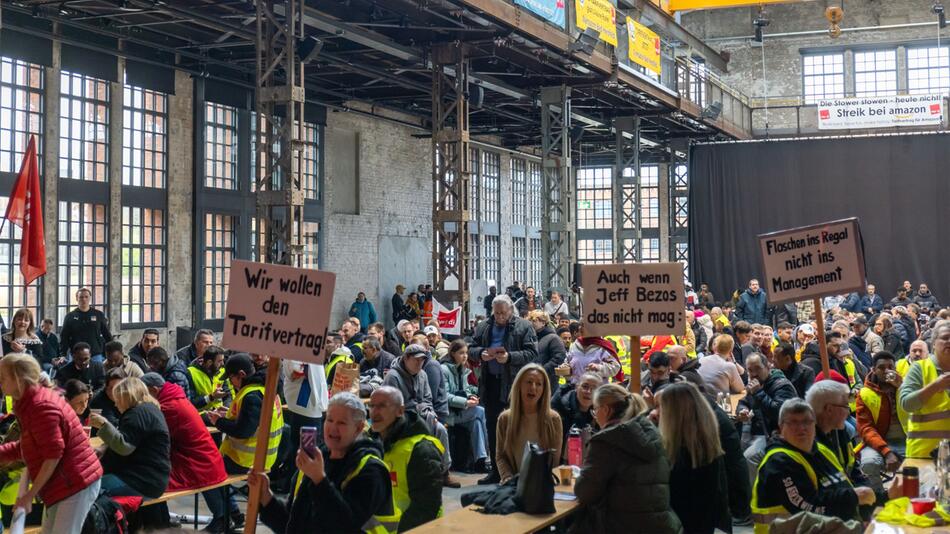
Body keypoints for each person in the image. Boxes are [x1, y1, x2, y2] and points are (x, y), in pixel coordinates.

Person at [251, 392, 397, 533]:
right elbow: (293, 524)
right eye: (330, 420)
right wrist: (266, 497)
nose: (333, 428)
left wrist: (319, 481)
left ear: (358, 428)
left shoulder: (371, 470)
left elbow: (343, 526)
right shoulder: (316, 463)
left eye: (341, 423)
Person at [0, 353, 102, 533]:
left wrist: (29, 495)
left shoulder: (41, 406)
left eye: (2, 377)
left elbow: (53, 455)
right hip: (65, 482)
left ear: (19, 379)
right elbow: (29, 446)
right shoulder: (29, 403)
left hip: (75, 482)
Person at [572, 384, 682, 533]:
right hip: (664, 526)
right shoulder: (651, 433)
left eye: (595, 410)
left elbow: (584, 492)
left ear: (606, 410)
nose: (595, 415)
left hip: (623, 526)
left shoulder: (607, 441)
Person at [751, 399, 870, 532]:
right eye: (793, 423)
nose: (801, 428)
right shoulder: (777, 462)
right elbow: (811, 508)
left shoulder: (821, 450)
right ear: (780, 427)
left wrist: (883, 496)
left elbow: (844, 485)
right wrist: (854, 497)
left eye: (807, 422)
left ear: (814, 424)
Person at [140, 373, 229, 533]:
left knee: (152, 482)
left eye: (143, 393)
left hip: (197, 464)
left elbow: (153, 436)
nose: (141, 398)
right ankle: (162, 521)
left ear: (153, 390)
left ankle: (158, 525)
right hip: (204, 459)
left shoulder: (169, 407)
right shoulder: (176, 399)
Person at [466, 294, 538, 484]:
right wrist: (481, 353)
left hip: (515, 383)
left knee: (517, 426)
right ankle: (497, 471)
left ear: (510, 311)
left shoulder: (524, 326)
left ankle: (519, 469)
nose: (499, 317)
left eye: (503, 313)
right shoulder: (483, 327)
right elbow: (471, 348)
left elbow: (532, 353)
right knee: (493, 426)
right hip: (490, 383)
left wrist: (510, 357)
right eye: (496, 313)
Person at [208, 353, 284, 529]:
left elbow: (243, 431)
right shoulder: (268, 388)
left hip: (246, 460)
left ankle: (222, 518)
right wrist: (227, 414)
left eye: (232, 378)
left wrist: (218, 422)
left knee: (205, 471)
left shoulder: (251, 396)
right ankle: (233, 514)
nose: (232, 383)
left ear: (241, 374)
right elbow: (253, 421)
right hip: (265, 456)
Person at [89, 377, 170, 530]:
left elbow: (124, 446)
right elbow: (130, 437)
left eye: (117, 398)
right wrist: (105, 447)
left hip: (141, 481)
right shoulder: (149, 409)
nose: (115, 403)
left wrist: (103, 424)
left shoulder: (137, 413)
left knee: (87, 489)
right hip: (154, 479)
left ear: (126, 396)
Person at [656, 382, 730, 534]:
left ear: (674, 414)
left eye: (661, 407)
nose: (657, 412)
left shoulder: (680, 456)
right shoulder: (707, 446)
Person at [368, 386, 443, 532]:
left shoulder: (422, 450)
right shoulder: (371, 443)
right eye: (371, 406)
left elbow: (426, 508)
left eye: (382, 406)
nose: (374, 412)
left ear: (400, 411)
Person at [495, 364, 562, 483]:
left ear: (544, 389)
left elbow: (554, 459)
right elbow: (501, 456)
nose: (533, 387)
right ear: (519, 385)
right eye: (529, 382)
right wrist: (507, 478)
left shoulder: (554, 419)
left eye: (539, 384)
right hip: (513, 484)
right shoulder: (504, 419)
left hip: (542, 485)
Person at [737, 353, 797, 481]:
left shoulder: (781, 385)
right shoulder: (757, 384)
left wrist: (759, 393)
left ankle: (755, 495)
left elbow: (779, 413)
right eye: (750, 370)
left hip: (778, 434)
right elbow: (744, 401)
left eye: (758, 368)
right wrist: (743, 410)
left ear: (768, 367)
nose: (754, 374)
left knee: (750, 457)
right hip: (760, 430)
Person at [275, 353, 328, 495]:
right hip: (304, 405)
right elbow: (294, 372)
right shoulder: (295, 351)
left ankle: (295, 483)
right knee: (306, 449)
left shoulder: (308, 350)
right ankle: (295, 484)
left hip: (309, 405)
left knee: (302, 448)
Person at [855, 351, 906, 495]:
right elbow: (866, 428)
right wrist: (886, 451)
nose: (886, 371)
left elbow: (919, 412)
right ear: (873, 370)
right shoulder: (865, 393)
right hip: (878, 442)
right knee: (869, 464)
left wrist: (901, 387)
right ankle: (879, 498)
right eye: (881, 368)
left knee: (922, 463)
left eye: (890, 367)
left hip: (907, 440)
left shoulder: (905, 387)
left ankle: (910, 496)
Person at [899, 320, 950, 457]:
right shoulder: (920, 368)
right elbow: (906, 404)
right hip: (924, 454)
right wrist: (935, 386)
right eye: (945, 338)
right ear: (933, 343)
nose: (949, 341)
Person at [440, 340, 490, 473]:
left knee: (477, 423)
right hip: (450, 414)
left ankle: (480, 460)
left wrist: (470, 396)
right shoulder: (444, 369)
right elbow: (446, 396)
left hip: (461, 412)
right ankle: (489, 457)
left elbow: (465, 389)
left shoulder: (462, 368)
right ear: (453, 353)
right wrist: (466, 402)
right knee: (480, 412)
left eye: (466, 353)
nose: (465, 356)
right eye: (461, 353)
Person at [551, 372, 598, 462]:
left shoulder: (601, 414)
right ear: (577, 387)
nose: (588, 392)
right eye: (585, 386)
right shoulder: (559, 408)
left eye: (594, 388)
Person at [59, 287, 112, 364]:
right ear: (77, 298)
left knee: (97, 375)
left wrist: (111, 351)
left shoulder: (98, 315)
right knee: (74, 375)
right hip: (76, 354)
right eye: (81, 297)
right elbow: (64, 337)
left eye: (86, 297)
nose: (84, 299)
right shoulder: (70, 316)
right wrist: (62, 355)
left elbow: (107, 335)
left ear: (90, 298)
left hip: (95, 354)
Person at [186, 345, 229, 413]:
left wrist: (226, 408)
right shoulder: (191, 373)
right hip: (200, 414)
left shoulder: (222, 371)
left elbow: (228, 394)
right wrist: (211, 397)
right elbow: (190, 402)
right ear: (209, 362)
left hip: (219, 412)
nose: (223, 364)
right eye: (219, 361)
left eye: (223, 360)